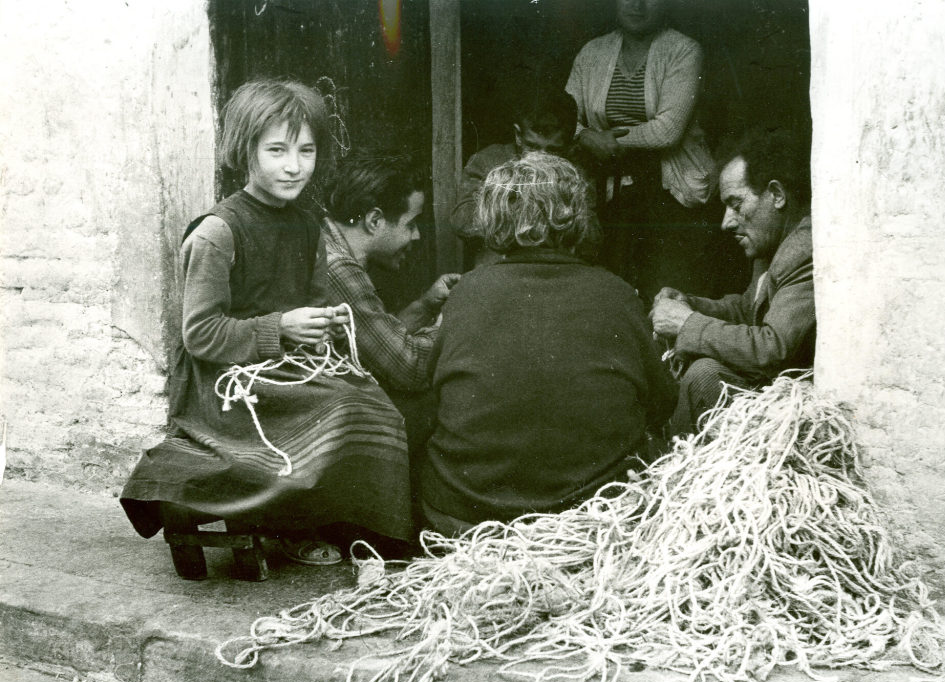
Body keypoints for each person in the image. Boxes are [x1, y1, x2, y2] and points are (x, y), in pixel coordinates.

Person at [119, 80, 416, 568]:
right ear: (246, 151)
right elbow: (200, 334)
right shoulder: (218, 233)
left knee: (372, 405)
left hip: (284, 368)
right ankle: (294, 527)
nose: (293, 165)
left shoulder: (307, 225)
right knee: (340, 409)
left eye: (306, 150)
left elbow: (313, 301)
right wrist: (280, 328)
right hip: (224, 385)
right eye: (277, 150)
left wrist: (325, 323)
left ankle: (365, 537)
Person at [419, 153, 678, 535]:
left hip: (469, 517)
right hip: (595, 520)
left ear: (493, 218)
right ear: (577, 216)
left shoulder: (467, 292)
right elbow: (662, 402)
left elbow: (437, 394)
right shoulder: (617, 293)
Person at [650, 128, 814, 435]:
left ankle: (669, 464)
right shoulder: (773, 244)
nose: (726, 222)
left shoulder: (802, 251)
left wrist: (687, 324)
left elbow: (772, 348)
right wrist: (691, 304)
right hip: (771, 394)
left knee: (705, 375)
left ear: (777, 195)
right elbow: (747, 309)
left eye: (736, 204)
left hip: (794, 409)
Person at [566, 0, 717, 304]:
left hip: (671, 190)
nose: (637, 5)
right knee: (605, 290)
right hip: (606, 188)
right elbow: (564, 118)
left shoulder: (684, 50)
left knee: (665, 292)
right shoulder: (592, 52)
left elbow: (667, 130)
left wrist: (606, 141)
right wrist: (586, 139)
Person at [320, 153, 460, 451]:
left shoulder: (329, 246)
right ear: (374, 220)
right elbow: (407, 367)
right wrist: (457, 320)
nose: (417, 235)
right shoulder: (337, 268)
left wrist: (425, 306)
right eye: (411, 224)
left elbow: (377, 342)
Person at [450, 88, 578, 267]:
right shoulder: (488, 161)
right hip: (500, 268)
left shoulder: (574, 171)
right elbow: (461, 220)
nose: (540, 158)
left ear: (567, 146)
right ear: (518, 135)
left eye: (553, 150)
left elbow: (592, 236)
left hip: (554, 269)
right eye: (532, 147)